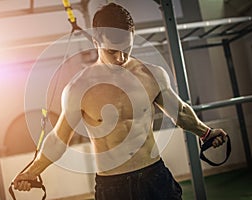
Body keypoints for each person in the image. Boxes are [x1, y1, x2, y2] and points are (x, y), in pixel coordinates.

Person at [13, 3, 227, 199]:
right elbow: (59, 139)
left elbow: (179, 112)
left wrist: (205, 132)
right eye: (111, 51)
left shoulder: (152, 75)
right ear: (96, 42)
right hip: (113, 187)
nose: (120, 58)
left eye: (126, 50)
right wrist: (31, 172)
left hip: (154, 176)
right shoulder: (79, 88)